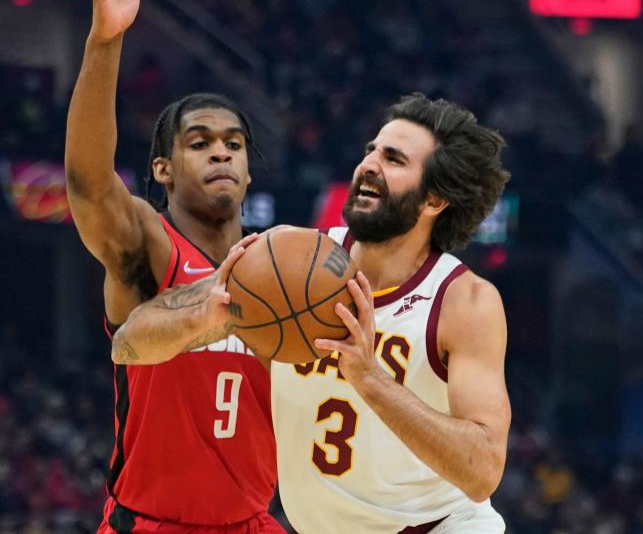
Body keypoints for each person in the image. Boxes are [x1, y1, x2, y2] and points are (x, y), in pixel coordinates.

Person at [118, 94, 512, 533]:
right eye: (371, 151)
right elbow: (128, 344)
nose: (369, 165)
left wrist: (370, 379)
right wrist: (205, 317)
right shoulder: (290, 258)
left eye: (394, 159)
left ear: (434, 201)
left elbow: (483, 472)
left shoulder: (463, 301)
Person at [65, 0, 281, 534]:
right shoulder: (149, 245)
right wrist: (105, 40)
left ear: (248, 170)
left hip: (252, 523)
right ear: (162, 168)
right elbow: (86, 182)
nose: (221, 152)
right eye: (200, 141)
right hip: (154, 523)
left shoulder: (283, 268)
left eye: (235, 143)